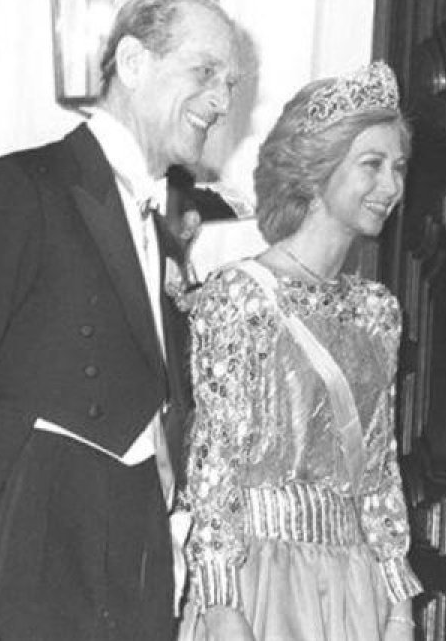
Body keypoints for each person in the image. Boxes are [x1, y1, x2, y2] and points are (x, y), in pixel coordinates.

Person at [0, 0, 239, 640]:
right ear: (133, 62)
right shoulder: (17, 189)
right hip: (20, 556)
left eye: (230, 82)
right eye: (204, 71)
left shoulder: (160, 227)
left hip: (126, 561)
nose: (222, 100)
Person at [177, 61, 422, 641]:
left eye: (399, 167)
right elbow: (214, 470)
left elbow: (379, 473)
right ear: (316, 171)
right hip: (260, 580)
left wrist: (398, 603)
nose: (391, 186)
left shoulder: (377, 310)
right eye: (372, 165)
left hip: (354, 585)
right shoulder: (241, 295)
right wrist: (221, 607)